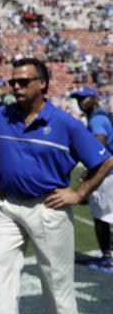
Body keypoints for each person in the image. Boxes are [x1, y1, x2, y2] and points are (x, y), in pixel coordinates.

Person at [0, 58, 113, 314]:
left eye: (23, 81)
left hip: (48, 207)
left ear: (42, 84)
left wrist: (79, 192)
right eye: (12, 82)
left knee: (57, 284)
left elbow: (105, 160)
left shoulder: (65, 123)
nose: (16, 87)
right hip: (7, 207)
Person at [70, 86, 113, 269]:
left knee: (102, 218)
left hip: (105, 175)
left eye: (84, 98)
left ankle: (107, 258)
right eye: (78, 99)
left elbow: (99, 148)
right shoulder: (100, 116)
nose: (81, 102)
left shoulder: (97, 120)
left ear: (94, 99)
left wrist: (88, 176)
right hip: (108, 173)